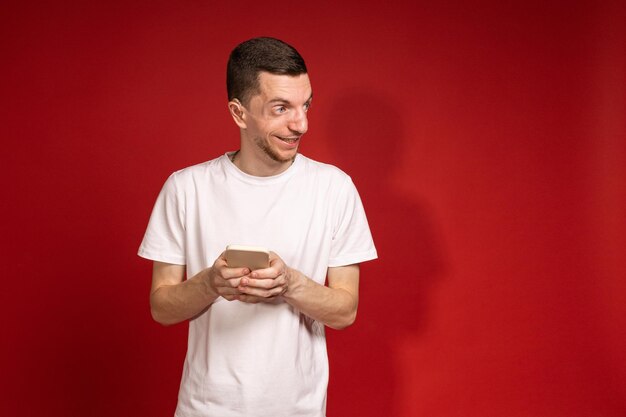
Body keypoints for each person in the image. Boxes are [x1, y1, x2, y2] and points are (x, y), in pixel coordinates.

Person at [138, 37, 377, 417]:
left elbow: (345, 311)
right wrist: (210, 283)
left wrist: (289, 284)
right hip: (205, 409)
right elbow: (161, 308)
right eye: (281, 108)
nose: (300, 124)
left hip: (298, 409)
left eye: (305, 105)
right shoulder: (186, 188)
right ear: (238, 113)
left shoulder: (334, 188)